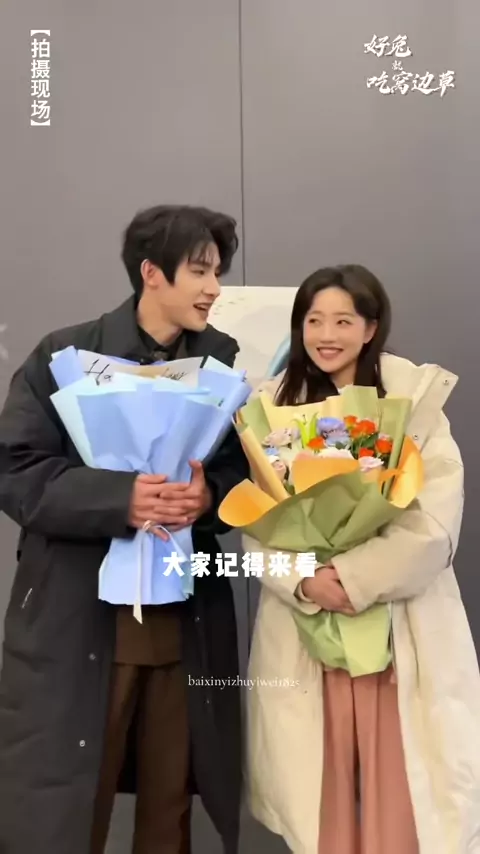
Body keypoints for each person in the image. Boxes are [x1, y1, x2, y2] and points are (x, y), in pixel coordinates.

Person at [0, 205, 250, 854]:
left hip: (183, 622)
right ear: (151, 273)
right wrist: (121, 499)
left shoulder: (222, 366)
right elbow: (16, 470)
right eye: (199, 272)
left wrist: (207, 496)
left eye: (217, 273)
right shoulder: (63, 356)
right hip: (81, 619)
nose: (213, 289)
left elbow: (241, 474)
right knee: (67, 803)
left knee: (170, 804)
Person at [244, 265, 480, 854]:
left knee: (400, 806)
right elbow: (256, 523)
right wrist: (306, 582)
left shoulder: (414, 404)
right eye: (314, 321)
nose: (327, 335)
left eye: (343, 321)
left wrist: (353, 577)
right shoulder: (271, 408)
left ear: (371, 328)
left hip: (397, 628)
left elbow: (433, 522)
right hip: (307, 628)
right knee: (317, 805)